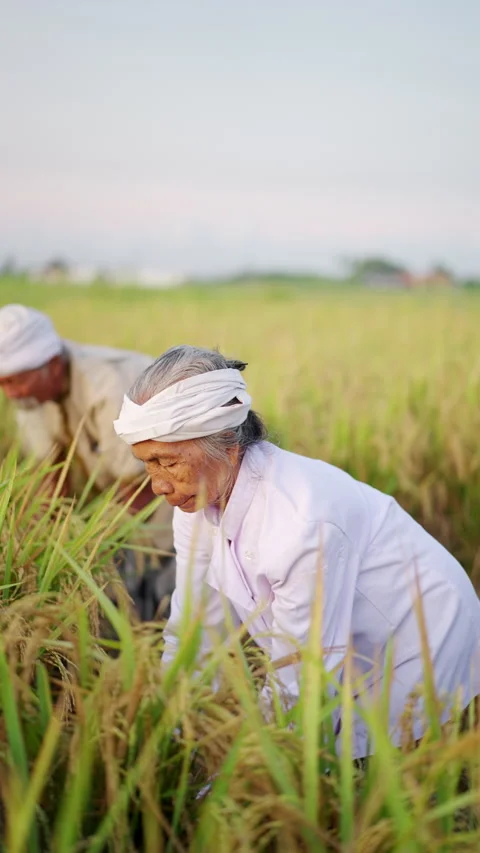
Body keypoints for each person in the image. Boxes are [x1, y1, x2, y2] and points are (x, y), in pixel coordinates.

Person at [113, 344, 480, 757]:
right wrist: (171, 729)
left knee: (383, 773)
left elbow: (304, 674)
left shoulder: (300, 520)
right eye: (147, 464)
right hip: (340, 636)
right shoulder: (197, 504)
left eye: (167, 461)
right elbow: (195, 627)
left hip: (418, 638)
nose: (156, 486)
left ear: (227, 445)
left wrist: (250, 769)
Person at [0, 303, 175, 619]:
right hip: (121, 491)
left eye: (15, 381)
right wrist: (51, 539)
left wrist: (94, 544)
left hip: (166, 488)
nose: (9, 393)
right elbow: (51, 472)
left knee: (160, 582)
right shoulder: (31, 398)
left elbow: (140, 486)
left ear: (52, 366)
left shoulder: (108, 383)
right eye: (2, 383)